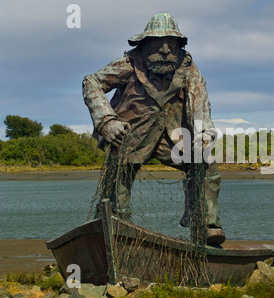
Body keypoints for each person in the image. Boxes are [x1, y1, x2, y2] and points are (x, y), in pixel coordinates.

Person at [82, 12, 225, 246]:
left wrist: (203, 132)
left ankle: (207, 224)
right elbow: (92, 82)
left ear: (180, 46)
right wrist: (107, 121)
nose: (166, 50)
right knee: (118, 179)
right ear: (144, 44)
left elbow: (199, 101)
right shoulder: (128, 64)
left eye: (171, 44)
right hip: (130, 135)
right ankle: (117, 227)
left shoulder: (188, 67)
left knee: (205, 163)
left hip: (172, 137)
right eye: (158, 44)